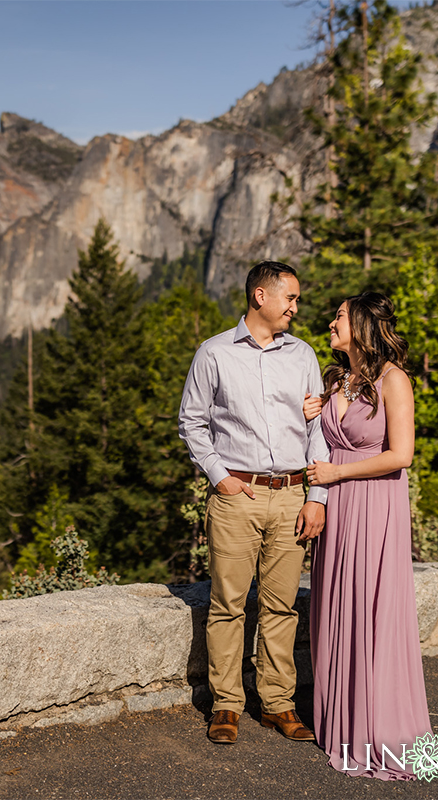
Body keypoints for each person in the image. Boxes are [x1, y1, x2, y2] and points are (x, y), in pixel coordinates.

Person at [176, 260, 329, 746]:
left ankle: (278, 704)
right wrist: (221, 478)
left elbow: (317, 429)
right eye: (291, 298)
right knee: (228, 605)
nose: (296, 308)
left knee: (282, 607)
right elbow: (192, 422)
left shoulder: (303, 354)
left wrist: (317, 496)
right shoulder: (214, 353)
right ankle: (226, 704)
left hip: (290, 498)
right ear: (261, 296)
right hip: (236, 497)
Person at [301, 292, 435, 779]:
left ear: (360, 325)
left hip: (373, 505)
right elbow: (323, 438)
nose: (329, 322)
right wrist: (311, 410)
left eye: (338, 316)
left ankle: (377, 723)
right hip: (337, 511)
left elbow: (402, 455)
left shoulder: (393, 379)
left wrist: (336, 477)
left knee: (371, 607)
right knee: (336, 605)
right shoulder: (338, 379)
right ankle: (339, 717)